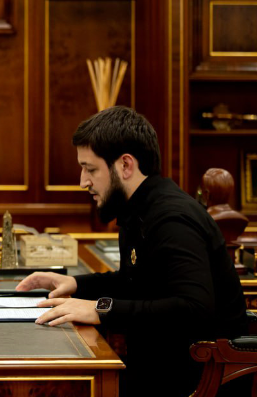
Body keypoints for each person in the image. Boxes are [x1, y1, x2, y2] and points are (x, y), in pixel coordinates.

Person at [16, 106, 248, 397]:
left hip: (194, 382)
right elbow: (136, 282)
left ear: (125, 165)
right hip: (158, 369)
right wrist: (75, 284)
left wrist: (100, 309)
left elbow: (193, 308)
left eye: (90, 169)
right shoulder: (138, 208)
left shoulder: (172, 218)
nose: (83, 181)